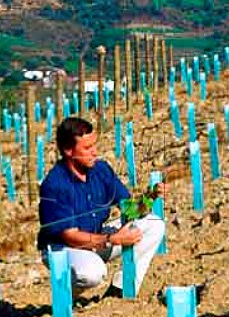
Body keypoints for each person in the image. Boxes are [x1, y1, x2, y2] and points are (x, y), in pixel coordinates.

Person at [38, 117, 166, 298]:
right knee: (92, 272)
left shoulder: (101, 170)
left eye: (94, 146)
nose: (94, 152)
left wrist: (151, 197)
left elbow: (129, 210)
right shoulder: (54, 185)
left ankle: (120, 290)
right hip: (63, 249)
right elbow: (70, 236)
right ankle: (66, 299)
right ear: (68, 150)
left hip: (97, 239)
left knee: (154, 224)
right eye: (87, 148)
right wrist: (113, 239)